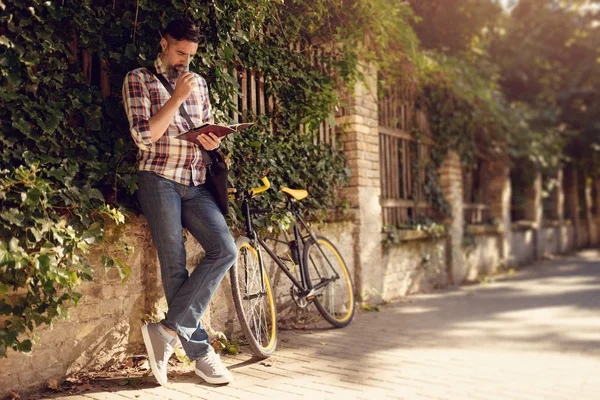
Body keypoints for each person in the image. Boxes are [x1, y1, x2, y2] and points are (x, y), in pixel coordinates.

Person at [122, 18, 236, 386]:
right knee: (174, 266)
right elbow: (144, 136)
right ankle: (201, 354)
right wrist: (176, 98)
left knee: (225, 249)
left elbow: (203, 128)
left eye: (191, 55)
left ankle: (167, 331)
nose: (185, 60)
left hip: (195, 181)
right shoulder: (138, 78)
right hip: (158, 179)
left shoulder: (198, 83)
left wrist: (212, 143)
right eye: (180, 52)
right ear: (164, 44)